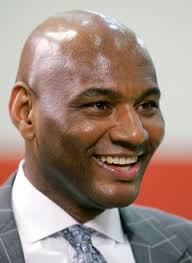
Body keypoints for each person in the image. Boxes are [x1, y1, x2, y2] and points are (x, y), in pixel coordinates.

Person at [1, 10, 191, 263]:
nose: (135, 134)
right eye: (100, 105)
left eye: (146, 105)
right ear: (26, 112)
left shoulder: (185, 244)